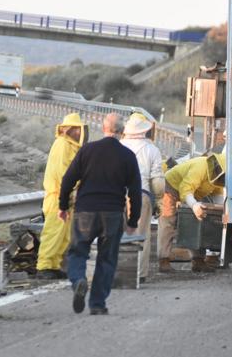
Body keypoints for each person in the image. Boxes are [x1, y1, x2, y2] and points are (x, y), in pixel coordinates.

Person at [58, 113, 142, 315]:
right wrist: (133, 219)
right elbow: (135, 191)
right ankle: (97, 304)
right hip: (112, 214)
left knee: (78, 252)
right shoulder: (128, 156)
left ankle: (78, 280)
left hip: (85, 211)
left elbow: (68, 180)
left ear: (104, 128)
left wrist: (62, 206)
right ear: (122, 133)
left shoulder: (87, 150)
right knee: (107, 259)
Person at [36, 113, 88, 280]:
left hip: (67, 198)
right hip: (58, 197)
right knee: (53, 233)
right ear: (71, 129)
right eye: (78, 129)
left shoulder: (72, 147)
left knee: (64, 235)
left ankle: (54, 265)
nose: (80, 133)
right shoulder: (62, 145)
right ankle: (44, 266)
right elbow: (63, 173)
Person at [158, 153, 226, 273]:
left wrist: (223, 211)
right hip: (171, 185)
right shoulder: (200, 167)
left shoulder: (218, 178)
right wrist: (194, 205)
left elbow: (218, 199)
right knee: (168, 221)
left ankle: (198, 261)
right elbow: (185, 189)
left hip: (192, 192)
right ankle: (164, 260)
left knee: (198, 222)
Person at [120, 113, 164, 282]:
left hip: (116, 194)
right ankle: (139, 274)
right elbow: (158, 181)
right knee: (140, 234)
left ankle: (117, 270)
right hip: (140, 194)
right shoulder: (152, 149)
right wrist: (159, 200)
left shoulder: (119, 145)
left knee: (117, 233)